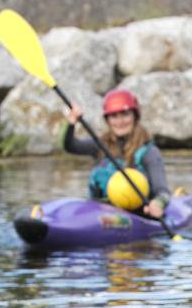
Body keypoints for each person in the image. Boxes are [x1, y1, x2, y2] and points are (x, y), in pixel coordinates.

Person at [64, 89, 171, 219]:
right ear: (107, 120)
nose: (120, 121)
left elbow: (162, 191)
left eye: (125, 114)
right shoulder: (100, 146)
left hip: (137, 215)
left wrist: (157, 204)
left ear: (135, 116)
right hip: (100, 212)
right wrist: (71, 124)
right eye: (114, 116)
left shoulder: (149, 152)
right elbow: (70, 146)